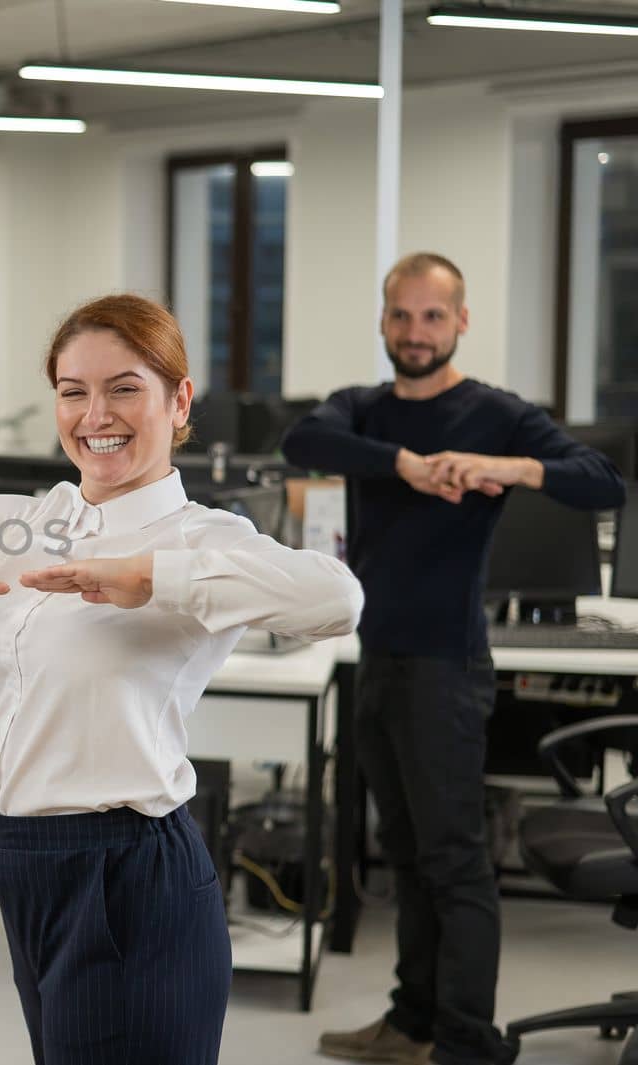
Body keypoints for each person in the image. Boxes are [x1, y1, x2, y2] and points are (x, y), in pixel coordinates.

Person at [0, 293, 363, 1064]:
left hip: (129, 877)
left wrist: (153, 577)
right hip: (24, 865)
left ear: (179, 400)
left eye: (124, 387)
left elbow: (337, 598)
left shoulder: (201, 534)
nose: (94, 414)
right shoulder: (30, 521)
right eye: (73, 390)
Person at [284, 252, 626, 1065]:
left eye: (432, 316)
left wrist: (511, 468)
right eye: (401, 315)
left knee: (453, 862)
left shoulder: (497, 414)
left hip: (445, 664)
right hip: (377, 658)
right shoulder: (363, 411)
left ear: (460, 321)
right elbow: (303, 439)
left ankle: (467, 1043)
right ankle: (413, 1021)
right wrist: (399, 463)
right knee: (403, 854)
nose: (414, 331)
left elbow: (602, 481)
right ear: (383, 321)